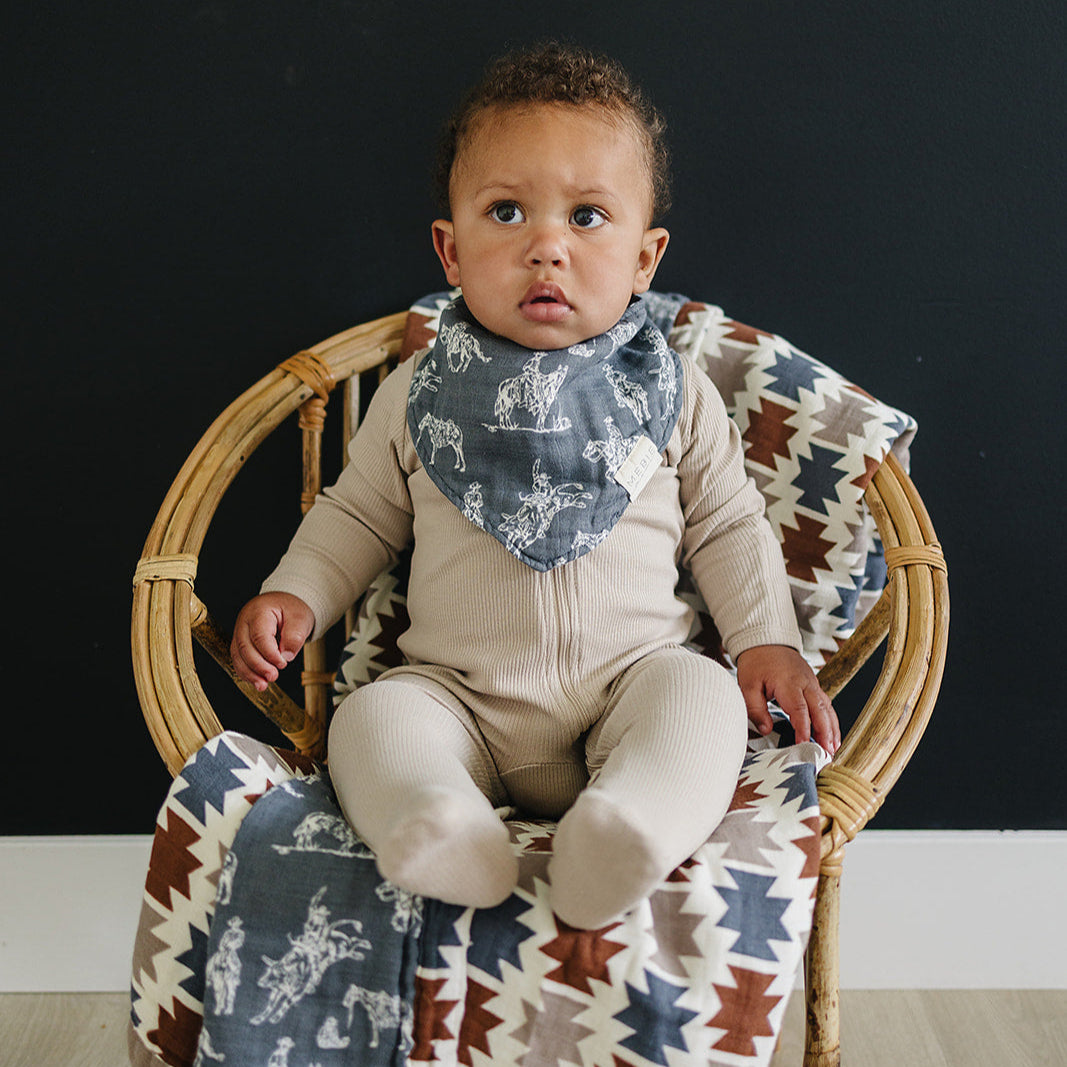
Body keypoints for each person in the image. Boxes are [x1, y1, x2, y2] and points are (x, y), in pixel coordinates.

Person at [231, 42, 839, 930]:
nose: (545, 246)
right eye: (506, 212)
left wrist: (763, 642)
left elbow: (727, 523)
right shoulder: (419, 389)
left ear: (644, 257)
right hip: (458, 697)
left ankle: (627, 826)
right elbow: (356, 512)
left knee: (700, 696)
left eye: (588, 217)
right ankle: (438, 823)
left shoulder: (670, 389)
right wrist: (297, 593)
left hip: (629, 686)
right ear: (449, 248)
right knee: (371, 718)